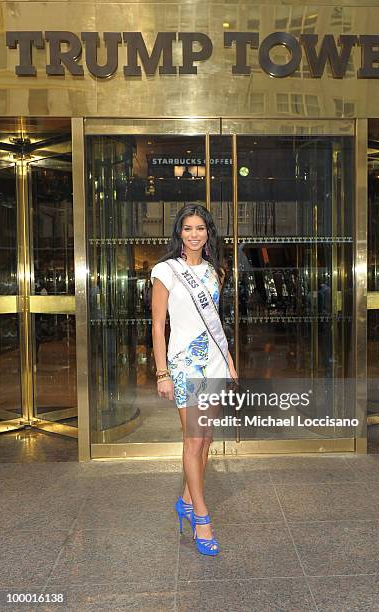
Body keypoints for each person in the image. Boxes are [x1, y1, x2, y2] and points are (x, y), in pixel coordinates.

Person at [151, 204, 237, 557]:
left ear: (208, 232)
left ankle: (186, 499)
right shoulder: (165, 271)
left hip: (214, 362)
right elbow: (158, 325)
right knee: (193, 440)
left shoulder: (216, 272)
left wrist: (230, 362)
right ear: (179, 233)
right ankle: (202, 517)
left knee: (206, 439)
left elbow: (215, 324)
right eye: (188, 228)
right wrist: (162, 372)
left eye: (200, 228)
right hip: (185, 365)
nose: (194, 234)